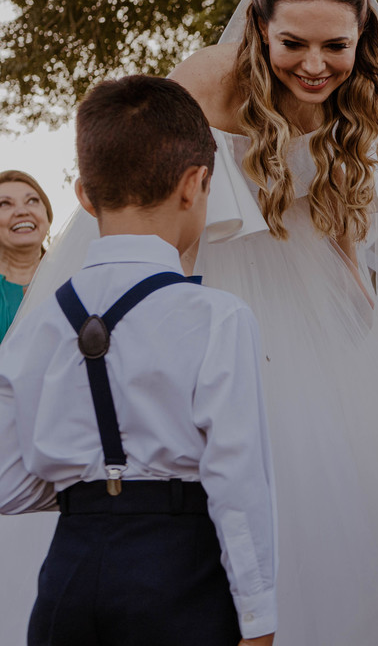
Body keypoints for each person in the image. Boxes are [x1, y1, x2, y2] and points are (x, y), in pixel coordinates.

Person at [9, 0, 378, 646]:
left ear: (361, 37)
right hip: (208, 270)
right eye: (293, 43)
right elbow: (161, 192)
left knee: (332, 477)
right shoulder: (209, 78)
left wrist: (354, 286)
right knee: (227, 451)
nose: (315, 64)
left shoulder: (363, 89)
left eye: (337, 46)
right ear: (260, 29)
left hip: (311, 291)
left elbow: (337, 210)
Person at [0, 75, 276, 646]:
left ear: (82, 194)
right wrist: (258, 618)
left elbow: (6, 483)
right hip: (180, 577)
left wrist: (94, 480)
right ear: (195, 184)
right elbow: (237, 481)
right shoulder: (217, 317)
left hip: (68, 577)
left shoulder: (36, 325)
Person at [0, 170, 53, 339]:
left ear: (47, 215)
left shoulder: (76, 278)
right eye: (4, 204)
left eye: (32, 201)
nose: (22, 211)